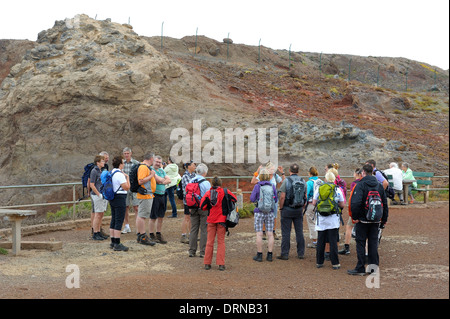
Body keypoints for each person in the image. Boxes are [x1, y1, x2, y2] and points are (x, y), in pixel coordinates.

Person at [347, 164, 389, 276]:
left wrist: (354, 217)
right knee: (373, 243)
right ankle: (373, 269)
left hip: (362, 220)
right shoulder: (379, 186)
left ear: (363, 172)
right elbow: (384, 203)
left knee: (360, 242)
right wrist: (384, 220)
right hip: (376, 220)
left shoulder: (360, 185)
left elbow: (355, 203)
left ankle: (360, 267)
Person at [200, 177, 237, 271]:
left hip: (211, 219)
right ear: (220, 183)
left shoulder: (208, 193)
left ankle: (207, 263)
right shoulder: (225, 192)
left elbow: (202, 206)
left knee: (209, 242)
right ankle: (221, 264)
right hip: (222, 220)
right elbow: (235, 199)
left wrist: (209, 207)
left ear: (212, 184)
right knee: (221, 242)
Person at [313, 171, 345, 270]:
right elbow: (342, 204)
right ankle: (335, 263)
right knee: (333, 241)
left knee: (321, 240)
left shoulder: (319, 188)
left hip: (321, 218)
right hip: (333, 219)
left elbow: (314, 203)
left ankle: (319, 262)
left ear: (325, 179)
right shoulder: (337, 189)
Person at [277, 164, 306, 260]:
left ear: (289, 170)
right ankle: (301, 253)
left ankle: (285, 254)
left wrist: (281, 208)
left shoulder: (286, 181)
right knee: (299, 231)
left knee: (286, 232)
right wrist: (302, 207)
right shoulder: (303, 181)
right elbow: (305, 196)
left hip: (287, 209)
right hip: (298, 209)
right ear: (298, 171)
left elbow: (282, 197)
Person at [250, 168, 278, 262]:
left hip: (259, 211)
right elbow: (276, 199)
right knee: (270, 234)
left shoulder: (257, 186)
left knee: (259, 234)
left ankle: (259, 254)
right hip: (270, 212)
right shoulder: (272, 186)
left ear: (260, 176)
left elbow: (252, 198)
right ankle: (269, 255)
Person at [251, 162, 284, 240]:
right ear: (267, 169)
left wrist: (283, 173)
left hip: (272, 200)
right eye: (271, 169)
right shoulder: (262, 176)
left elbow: (283, 182)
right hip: (262, 199)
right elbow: (253, 181)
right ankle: (263, 232)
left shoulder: (275, 176)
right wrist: (257, 171)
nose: (273, 170)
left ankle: (273, 231)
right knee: (263, 214)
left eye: (273, 169)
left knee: (274, 215)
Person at [188, 163, 211, 258]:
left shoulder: (191, 180)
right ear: (205, 172)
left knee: (193, 229)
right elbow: (209, 197)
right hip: (203, 208)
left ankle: (192, 251)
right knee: (204, 230)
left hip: (193, 207)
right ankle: (203, 251)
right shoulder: (206, 183)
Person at [108, 155, 131, 251]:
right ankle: (117, 243)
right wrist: (127, 178)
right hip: (120, 197)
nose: (124, 164)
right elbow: (127, 187)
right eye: (123, 162)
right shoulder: (120, 175)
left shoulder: (112, 172)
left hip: (113, 197)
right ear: (120, 164)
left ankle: (113, 242)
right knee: (119, 220)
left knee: (114, 219)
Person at [339, 168, 362, 255]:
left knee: (349, 227)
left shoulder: (354, 184)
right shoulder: (364, 183)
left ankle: (346, 247)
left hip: (356, 209)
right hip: (364, 210)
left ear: (357, 174)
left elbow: (353, 197)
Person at [136, 153, 157, 246]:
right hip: (145, 195)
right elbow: (140, 181)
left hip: (147, 195)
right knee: (142, 216)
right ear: (151, 158)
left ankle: (141, 235)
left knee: (141, 215)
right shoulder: (144, 167)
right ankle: (143, 236)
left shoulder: (145, 167)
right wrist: (152, 175)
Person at [149, 156, 171, 244]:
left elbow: (168, 180)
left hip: (163, 194)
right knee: (153, 216)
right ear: (153, 161)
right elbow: (157, 180)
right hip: (155, 195)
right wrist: (162, 180)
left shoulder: (162, 170)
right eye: (156, 161)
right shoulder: (151, 169)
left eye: (159, 162)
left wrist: (162, 181)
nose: (158, 163)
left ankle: (158, 233)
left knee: (161, 216)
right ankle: (151, 234)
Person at [89, 155, 108, 240]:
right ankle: (95, 233)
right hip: (97, 195)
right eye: (102, 161)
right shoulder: (94, 171)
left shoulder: (100, 171)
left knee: (101, 214)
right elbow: (92, 184)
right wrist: (98, 194)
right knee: (97, 214)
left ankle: (99, 231)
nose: (103, 163)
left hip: (101, 194)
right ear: (98, 162)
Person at [121, 147, 139, 234]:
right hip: (125, 187)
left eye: (128, 153)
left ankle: (138, 226)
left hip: (134, 188)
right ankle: (127, 226)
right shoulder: (122, 164)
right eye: (125, 154)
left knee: (136, 207)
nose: (126, 155)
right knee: (125, 207)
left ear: (131, 154)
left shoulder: (136, 163)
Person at [305, 167, 322, 248]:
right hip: (320, 204)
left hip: (311, 204)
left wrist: (304, 203)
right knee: (318, 221)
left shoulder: (309, 183)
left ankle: (315, 241)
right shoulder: (321, 181)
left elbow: (307, 194)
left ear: (310, 173)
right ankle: (320, 239)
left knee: (311, 222)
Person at [180, 161, 196, 243]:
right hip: (187, 200)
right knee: (186, 217)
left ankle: (191, 235)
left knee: (190, 217)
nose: (195, 166)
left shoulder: (194, 175)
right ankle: (183, 235)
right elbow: (188, 188)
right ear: (188, 166)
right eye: (193, 165)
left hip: (193, 199)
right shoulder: (185, 176)